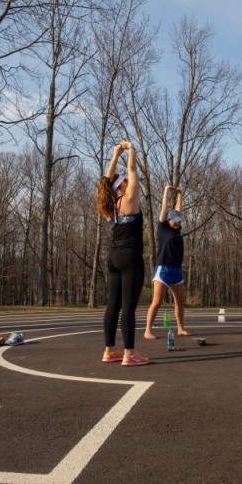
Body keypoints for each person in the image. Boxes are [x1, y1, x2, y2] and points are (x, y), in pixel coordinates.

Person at [95, 140, 149, 366]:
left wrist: (116, 154)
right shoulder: (129, 200)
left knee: (113, 305)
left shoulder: (108, 207)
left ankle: (109, 350)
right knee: (128, 307)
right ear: (122, 186)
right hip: (130, 258)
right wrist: (132, 150)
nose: (128, 181)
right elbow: (133, 169)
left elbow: (106, 182)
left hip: (113, 258)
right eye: (125, 181)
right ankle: (129, 354)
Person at [144, 185, 189, 339]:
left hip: (176, 270)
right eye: (174, 220)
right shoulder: (162, 229)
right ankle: (148, 330)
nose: (177, 222)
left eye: (178, 220)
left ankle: (180, 328)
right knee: (157, 301)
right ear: (168, 220)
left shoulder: (177, 230)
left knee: (180, 302)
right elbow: (164, 207)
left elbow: (178, 208)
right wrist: (167, 190)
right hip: (163, 269)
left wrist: (180, 194)